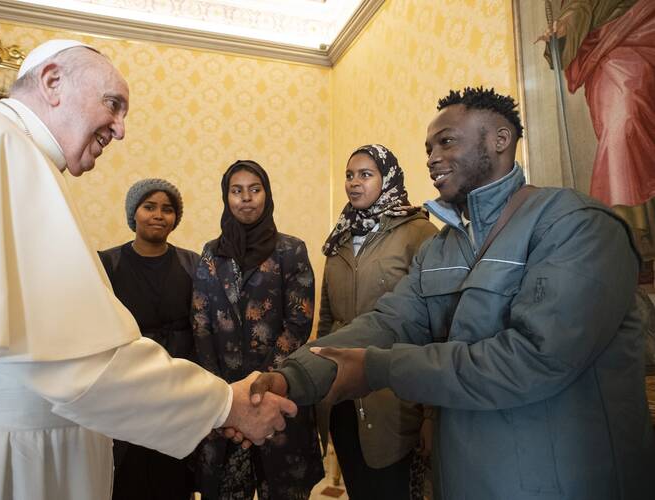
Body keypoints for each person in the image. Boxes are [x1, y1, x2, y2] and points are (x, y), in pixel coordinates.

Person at [0, 40, 296, 500]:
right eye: (113, 104)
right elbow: (83, 365)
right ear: (52, 82)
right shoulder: (5, 150)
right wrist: (224, 403)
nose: (121, 128)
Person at [250, 87, 655, 499]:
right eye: (428, 148)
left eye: (446, 141)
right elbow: (389, 321)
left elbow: (535, 359)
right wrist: (291, 377)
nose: (431, 158)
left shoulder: (576, 225)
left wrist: (378, 368)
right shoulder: (440, 247)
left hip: (565, 482)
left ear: (500, 140)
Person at [191, 160, 324, 500]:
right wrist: (225, 391)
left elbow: (298, 322)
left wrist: (263, 383)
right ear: (226, 197)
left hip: (278, 391)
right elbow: (201, 323)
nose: (246, 198)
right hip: (224, 399)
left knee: (281, 489)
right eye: (237, 191)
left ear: (267, 194)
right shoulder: (211, 254)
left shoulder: (290, 251)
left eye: (255, 189)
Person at [317, 144, 437, 499]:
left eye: (366, 175)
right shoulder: (339, 237)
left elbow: (436, 326)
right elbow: (327, 319)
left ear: (388, 179)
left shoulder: (417, 233)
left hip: (395, 398)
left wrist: (431, 413)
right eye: (349, 175)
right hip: (342, 398)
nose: (354, 183)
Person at [99, 178, 200, 500]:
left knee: (172, 474)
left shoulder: (193, 264)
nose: (158, 215)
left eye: (167, 209)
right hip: (127, 385)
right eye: (149, 207)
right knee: (127, 475)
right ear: (134, 214)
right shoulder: (107, 263)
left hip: (177, 384)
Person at [537, 0, 655, 207]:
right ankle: (630, 223)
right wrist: (564, 28)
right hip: (613, 48)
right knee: (622, 121)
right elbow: (577, 7)